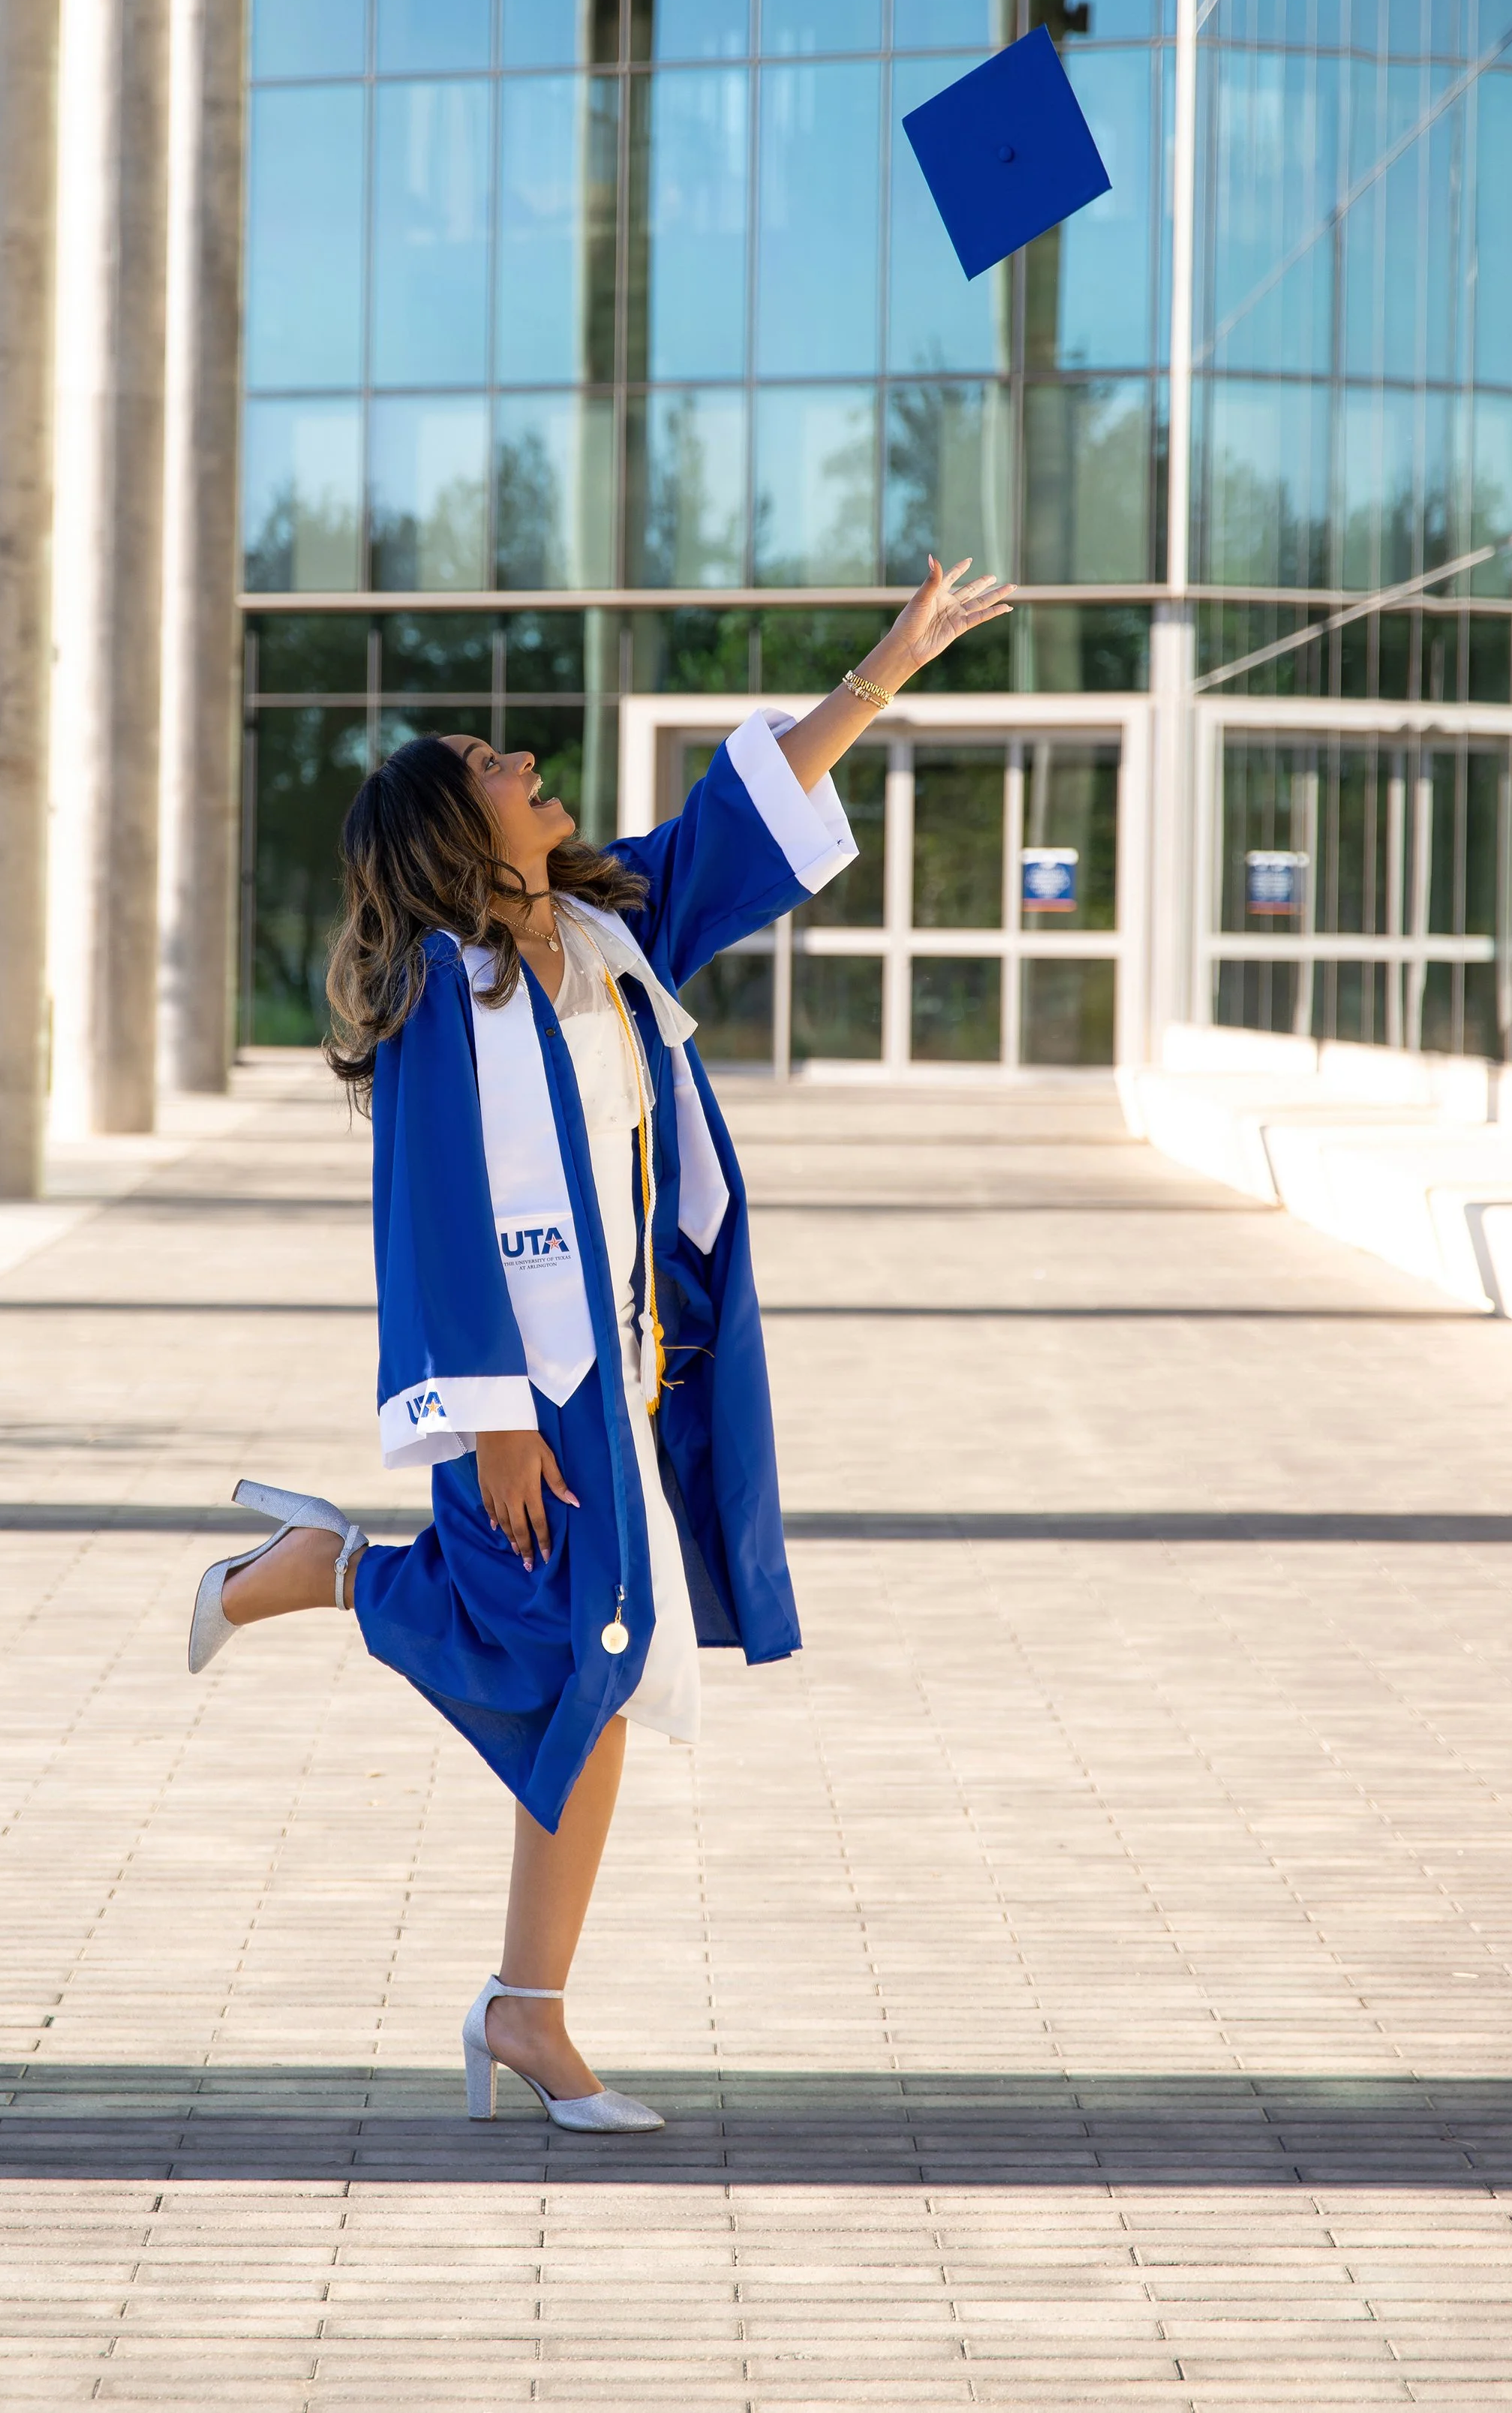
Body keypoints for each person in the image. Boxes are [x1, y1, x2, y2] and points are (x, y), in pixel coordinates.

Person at [188, 555, 1011, 2130]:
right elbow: (430, 1218)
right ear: (456, 830)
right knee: (590, 1662)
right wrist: (490, 1421)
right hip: (539, 1393)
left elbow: (733, 827)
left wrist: (884, 668)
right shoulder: (448, 994)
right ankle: (519, 1993)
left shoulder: (605, 929)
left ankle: (512, 1979)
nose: (520, 764)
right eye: (488, 767)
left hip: (628, 1369)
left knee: (587, 1663)